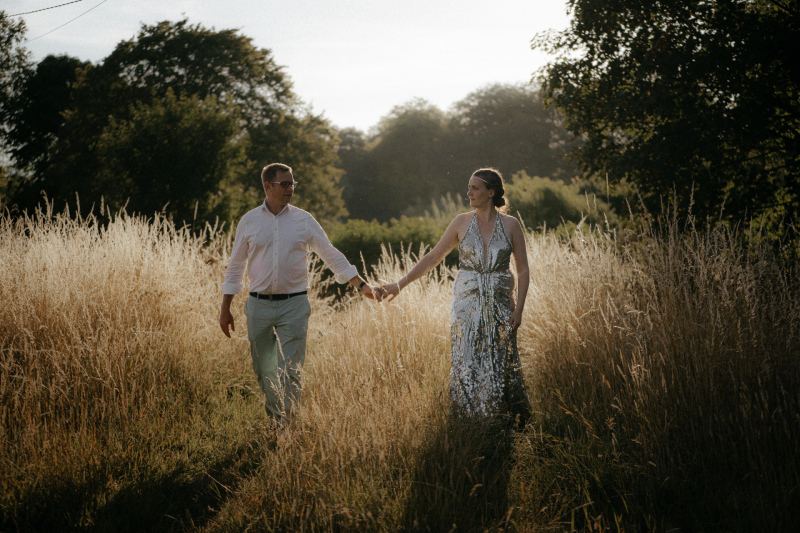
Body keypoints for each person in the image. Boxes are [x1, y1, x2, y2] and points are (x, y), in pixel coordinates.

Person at [220, 162, 379, 425]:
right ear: (267, 186)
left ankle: (287, 425)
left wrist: (362, 286)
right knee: (264, 370)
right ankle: (275, 418)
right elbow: (236, 266)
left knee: (290, 370)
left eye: (293, 183)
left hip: (294, 305)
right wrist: (225, 308)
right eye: (285, 184)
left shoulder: (304, 220)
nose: (290, 189)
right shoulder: (249, 221)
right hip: (258, 305)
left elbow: (331, 255)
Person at [380, 168, 532, 424]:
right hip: (467, 301)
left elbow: (523, 268)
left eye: (475, 188)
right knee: (467, 354)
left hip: (502, 301)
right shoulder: (461, 222)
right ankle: (468, 419)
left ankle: (504, 418)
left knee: (500, 355)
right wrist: (400, 284)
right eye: (469, 187)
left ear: (491, 192)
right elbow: (433, 257)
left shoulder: (511, 225)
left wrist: (519, 310)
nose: (469, 192)